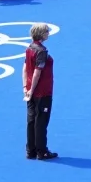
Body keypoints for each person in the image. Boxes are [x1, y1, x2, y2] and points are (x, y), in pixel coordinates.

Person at [22, 23, 56, 160]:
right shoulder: (41, 51)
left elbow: (24, 69)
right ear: (41, 34)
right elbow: (37, 73)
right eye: (47, 31)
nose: (48, 33)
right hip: (42, 92)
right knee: (41, 122)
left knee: (31, 120)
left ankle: (31, 150)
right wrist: (32, 90)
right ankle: (42, 151)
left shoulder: (29, 48)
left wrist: (25, 87)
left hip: (30, 91)